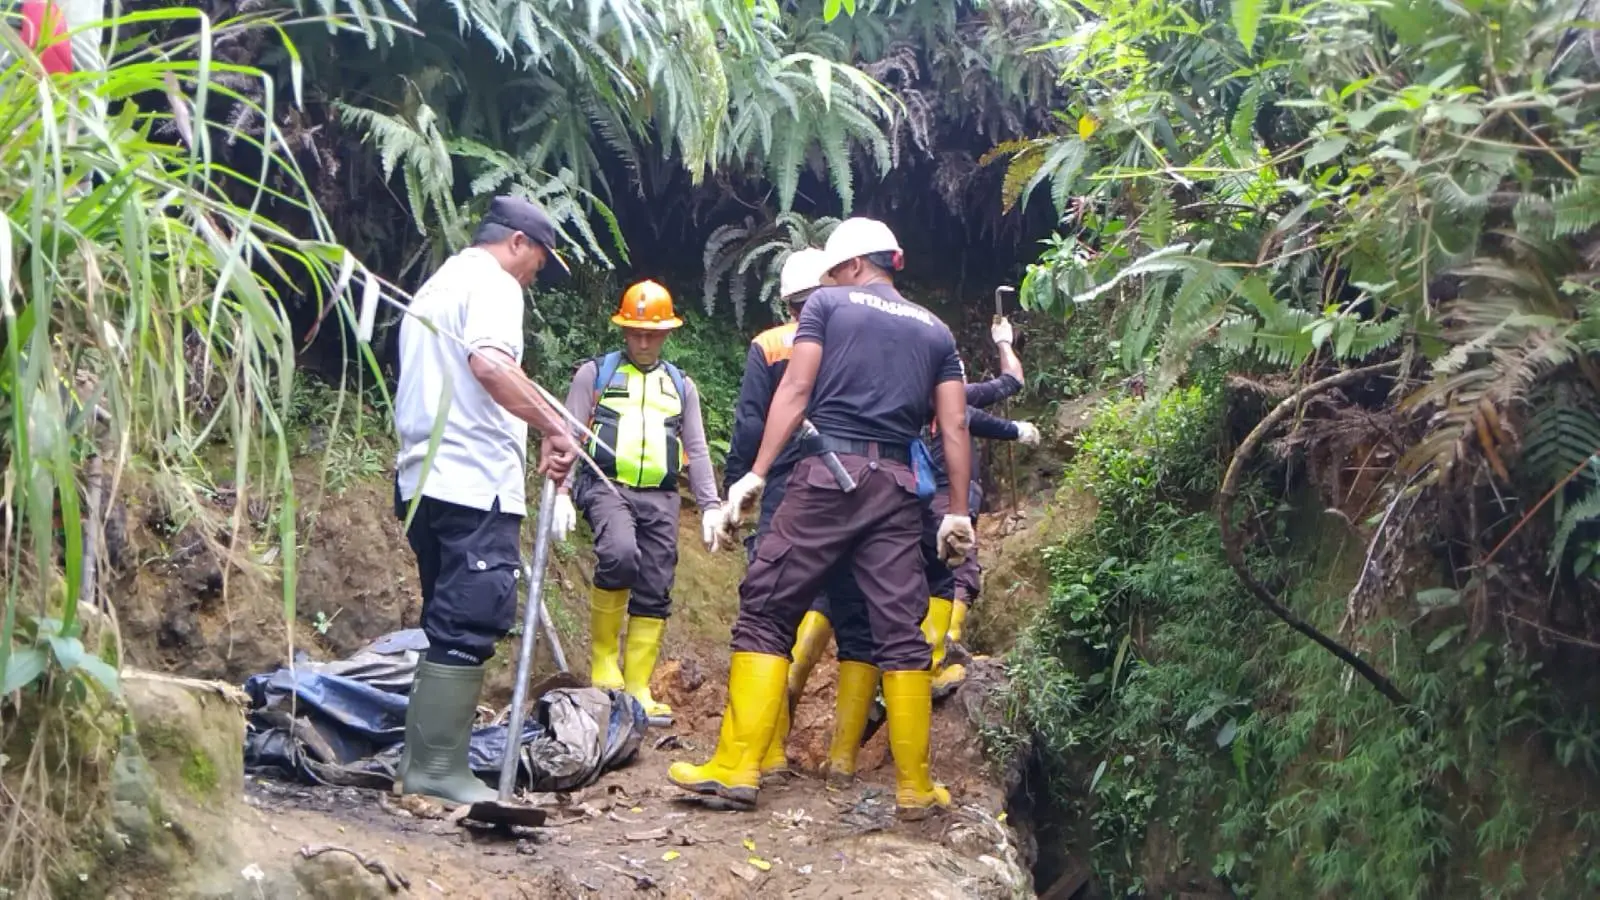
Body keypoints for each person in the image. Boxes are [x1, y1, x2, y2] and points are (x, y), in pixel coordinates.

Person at [668, 217, 976, 817]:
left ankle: (735, 767)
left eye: (835, 270)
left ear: (854, 265)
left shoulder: (829, 305)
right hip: (895, 489)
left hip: (827, 476)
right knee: (899, 631)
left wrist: (757, 472)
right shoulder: (937, 331)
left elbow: (796, 390)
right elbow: (956, 425)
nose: (832, 280)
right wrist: (956, 513)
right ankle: (915, 787)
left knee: (766, 607)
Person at [391, 196, 579, 806]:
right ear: (519, 243)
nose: (536, 274)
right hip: (472, 484)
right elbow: (491, 364)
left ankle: (422, 764)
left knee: (446, 622)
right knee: (471, 619)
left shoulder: (437, 288)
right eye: (540, 262)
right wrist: (555, 423)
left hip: (424, 481)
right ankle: (437, 769)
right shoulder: (495, 283)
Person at [722, 248, 878, 782]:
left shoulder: (771, 345)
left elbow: (749, 425)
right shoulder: (868, 335)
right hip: (862, 487)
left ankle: (763, 753)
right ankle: (842, 760)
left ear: (787, 300)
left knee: (772, 611)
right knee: (856, 616)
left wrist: (738, 483)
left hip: (792, 484)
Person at [550, 280, 722, 724]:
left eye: (652, 333)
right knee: (619, 554)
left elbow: (698, 449)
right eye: (635, 332)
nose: (643, 341)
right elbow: (569, 434)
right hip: (607, 485)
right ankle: (604, 661)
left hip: (662, 497)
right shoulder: (596, 374)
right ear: (623, 330)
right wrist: (563, 492)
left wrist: (709, 505)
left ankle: (637, 687)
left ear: (666, 333)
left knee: (655, 582)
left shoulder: (681, 386)